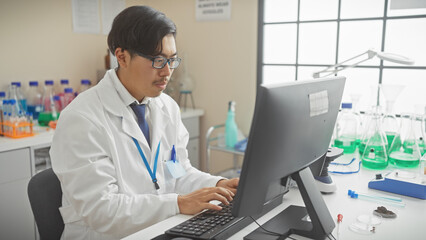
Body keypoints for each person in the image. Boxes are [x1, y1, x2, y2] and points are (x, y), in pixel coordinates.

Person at [50, 5, 238, 240]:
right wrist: (178, 204)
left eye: (172, 60)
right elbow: (102, 211)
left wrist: (219, 184)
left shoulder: (166, 107)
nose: (168, 71)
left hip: (159, 228)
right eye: (158, 60)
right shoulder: (82, 119)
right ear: (121, 56)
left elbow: (178, 172)